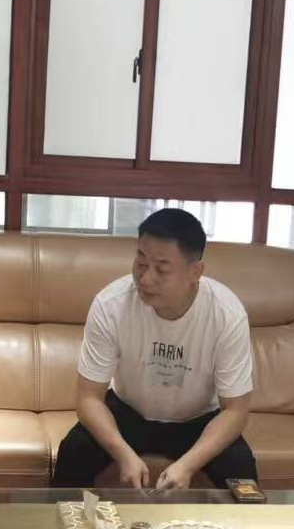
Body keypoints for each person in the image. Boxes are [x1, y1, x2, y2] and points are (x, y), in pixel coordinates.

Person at [51, 208, 257, 491]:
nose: (145, 278)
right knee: (75, 450)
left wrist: (187, 465)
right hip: (129, 412)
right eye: (141, 262)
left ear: (195, 272)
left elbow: (235, 411)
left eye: (162, 269)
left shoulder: (226, 314)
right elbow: (88, 398)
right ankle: (59, 522)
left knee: (241, 469)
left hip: (198, 420)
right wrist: (124, 454)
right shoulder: (111, 305)